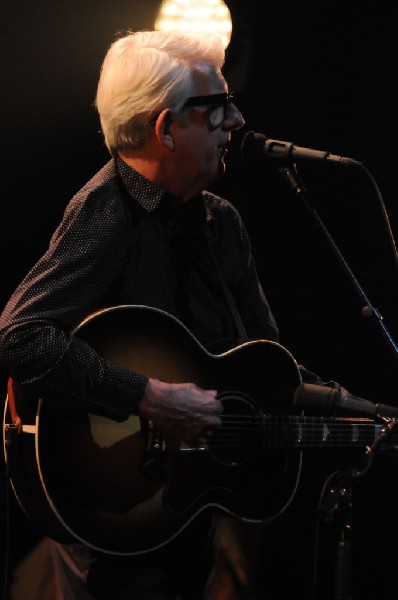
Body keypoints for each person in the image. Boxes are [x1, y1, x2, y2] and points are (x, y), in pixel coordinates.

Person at [0, 29, 344, 600]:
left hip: (187, 509)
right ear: (166, 128)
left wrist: (349, 410)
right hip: (112, 508)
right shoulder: (108, 212)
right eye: (218, 107)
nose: (236, 121)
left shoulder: (222, 223)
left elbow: (269, 362)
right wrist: (147, 396)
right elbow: (21, 336)